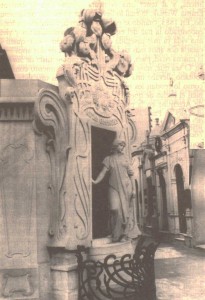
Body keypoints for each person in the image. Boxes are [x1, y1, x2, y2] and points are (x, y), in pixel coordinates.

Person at [92, 138, 136, 243]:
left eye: (123, 146)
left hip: (126, 187)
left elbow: (131, 175)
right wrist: (95, 181)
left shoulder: (125, 159)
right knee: (114, 209)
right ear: (115, 146)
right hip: (113, 186)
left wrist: (133, 189)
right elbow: (103, 172)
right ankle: (114, 233)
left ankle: (123, 234)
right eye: (120, 145)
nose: (122, 147)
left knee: (125, 211)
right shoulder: (109, 159)